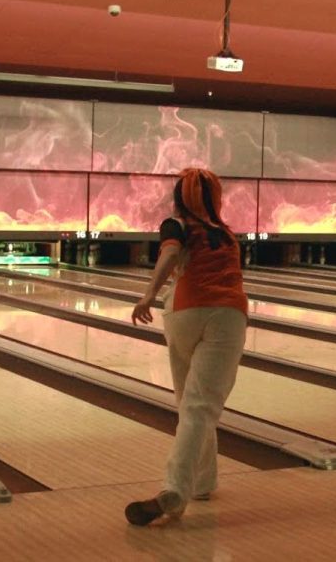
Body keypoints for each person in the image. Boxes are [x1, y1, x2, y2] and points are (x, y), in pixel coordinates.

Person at [126, 168, 249, 526]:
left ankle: (198, 484)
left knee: (190, 404)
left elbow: (168, 256)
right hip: (227, 316)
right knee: (201, 406)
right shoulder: (226, 233)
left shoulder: (176, 224)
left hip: (182, 313)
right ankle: (179, 489)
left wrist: (149, 294)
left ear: (179, 197)